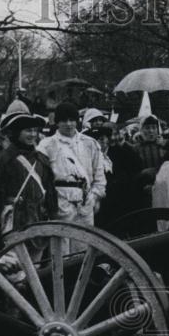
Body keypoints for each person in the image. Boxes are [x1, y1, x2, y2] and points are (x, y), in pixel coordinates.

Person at [0, 110, 57, 262]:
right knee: (14, 271)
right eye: (28, 130)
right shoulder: (4, 160)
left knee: (36, 268)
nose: (33, 135)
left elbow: (50, 193)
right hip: (13, 223)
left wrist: (53, 218)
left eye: (35, 131)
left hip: (39, 221)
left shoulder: (42, 160)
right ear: (16, 133)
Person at [36, 102, 107, 248]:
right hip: (60, 204)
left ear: (77, 121)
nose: (68, 124)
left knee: (84, 248)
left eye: (72, 120)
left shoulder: (90, 143)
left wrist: (94, 197)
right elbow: (40, 178)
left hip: (85, 202)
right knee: (61, 251)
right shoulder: (46, 145)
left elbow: (99, 176)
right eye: (63, 120)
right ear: (57, 123)